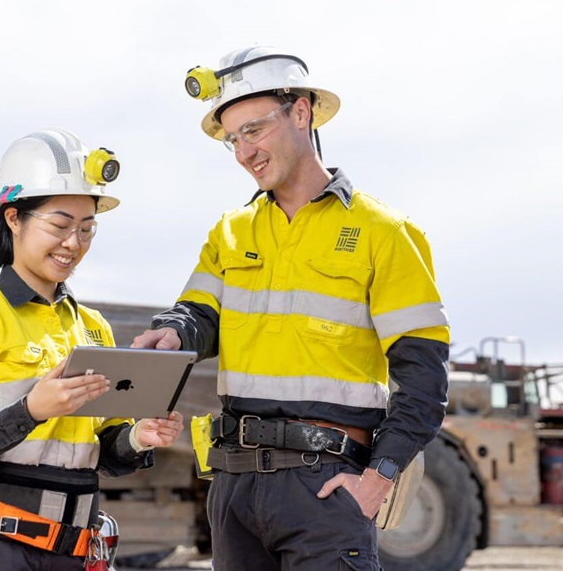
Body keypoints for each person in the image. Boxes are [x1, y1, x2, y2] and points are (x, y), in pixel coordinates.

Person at [133, 46, 450, 570]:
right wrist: (172, 335)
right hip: (233, 487)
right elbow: (197, 315)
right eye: (233, 140)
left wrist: (378, 479)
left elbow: (423, 377)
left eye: (253, 131)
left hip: (326, 487)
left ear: (301, 112)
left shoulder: (385, 233)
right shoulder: (230, 231)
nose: (243, 153)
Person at [0, 129, 184, 571]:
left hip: (78, 551)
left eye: (87, 229)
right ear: (12, 218)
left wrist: (139, 437)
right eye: (60, 226)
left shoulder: (94, 328)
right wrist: (30, 410)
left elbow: (105, 451)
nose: (74, 243)